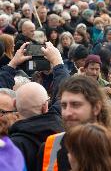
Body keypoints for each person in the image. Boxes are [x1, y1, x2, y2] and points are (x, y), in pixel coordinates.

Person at [39, 75, 111, 171]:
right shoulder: (49, 148)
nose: (67, 113)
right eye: (63, 106)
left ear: (96, 108)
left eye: (75, 105)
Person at [5, 42, 66, 171]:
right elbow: (64, 94)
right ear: (45, 107)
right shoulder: (59, 129)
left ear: (15, 105)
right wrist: (57, 62)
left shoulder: (9, 145)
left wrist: (12, 64)